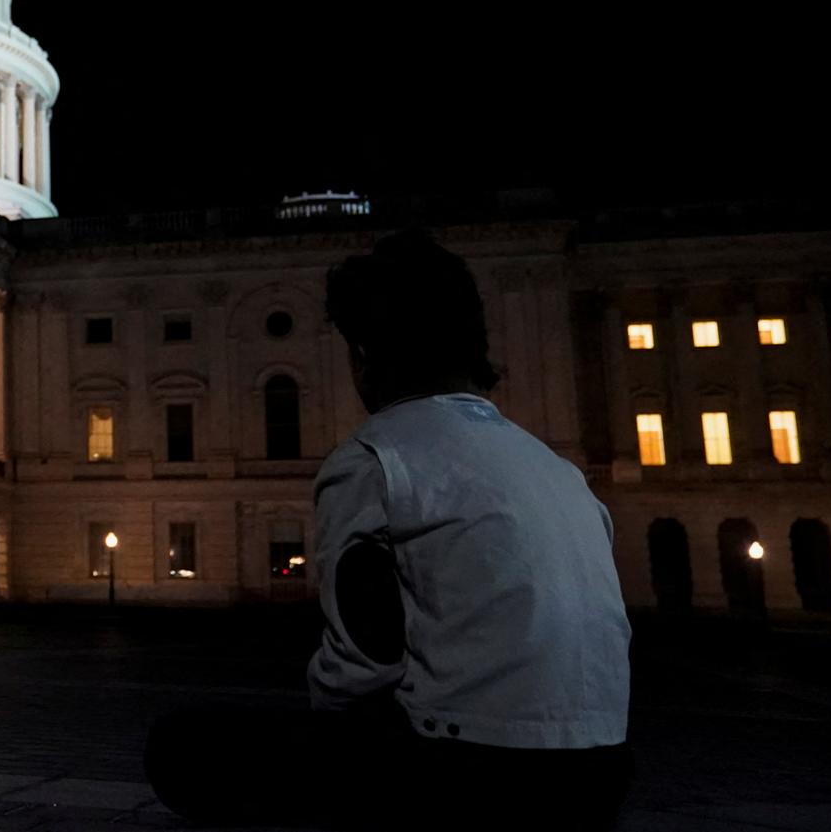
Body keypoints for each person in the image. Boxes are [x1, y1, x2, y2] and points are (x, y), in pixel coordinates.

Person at [146, 230, 633, 829]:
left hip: (469, 774)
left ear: (364, 354)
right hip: (603, 772)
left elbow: (362, 659)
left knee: (185, 744)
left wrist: (328, 723)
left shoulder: (375, 457)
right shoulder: (560, 472)